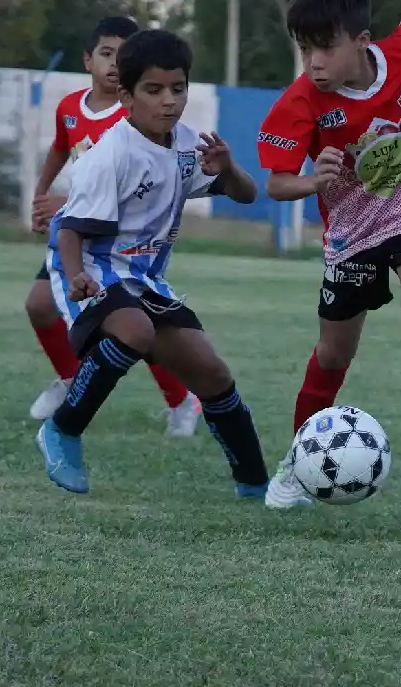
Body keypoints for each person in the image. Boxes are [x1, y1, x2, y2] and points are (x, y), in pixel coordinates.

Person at [255, 0, 401, 509]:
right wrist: (313, 181)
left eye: (325, 47)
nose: (313, 62)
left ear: (361, 41)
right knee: (333, 355)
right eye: (305, 48)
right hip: (353, 233)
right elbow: (274, 182)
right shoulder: (302, 102)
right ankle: (298, 459)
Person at [35, 28, 270, 497]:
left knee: (213, 374)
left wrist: (228, 167)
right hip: (93, 266)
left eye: (178, 88)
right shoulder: (111, 156)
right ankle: (61, 430)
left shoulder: (186, 145)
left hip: (143, 279)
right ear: (126, 95)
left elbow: (246, 195)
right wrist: (78, 274)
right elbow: (70, 228)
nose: (169, 101)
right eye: (154, 90)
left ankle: (257, 487)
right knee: (135, 331)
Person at [24, 16, 201, 436]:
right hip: (79, 237)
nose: (114, 63)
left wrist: (64, 203)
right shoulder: (70, 107)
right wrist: (42, 191)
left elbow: (134, 192)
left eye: (123, 56)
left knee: (139, 327)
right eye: (106, 54)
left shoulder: (136, 121)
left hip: (121, 245)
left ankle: (181, 400)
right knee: (39, 304)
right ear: (88, 59)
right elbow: (61, 147)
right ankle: (71, 381)